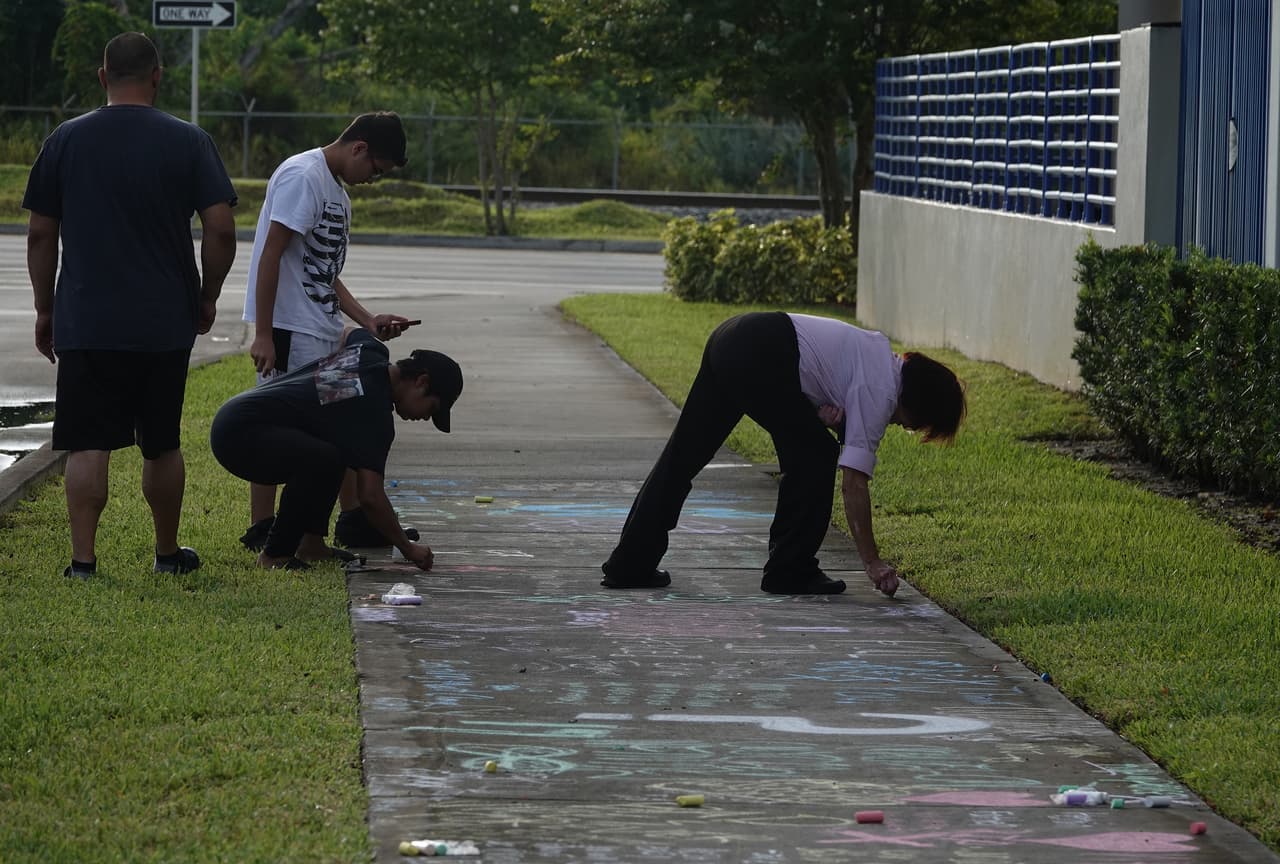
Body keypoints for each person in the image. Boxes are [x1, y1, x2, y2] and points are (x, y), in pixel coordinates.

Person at [22, 32, 237, 579]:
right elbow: (220, 228)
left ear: (102, 77)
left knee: (87, 442)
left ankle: (83, 562)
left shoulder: (66, 139)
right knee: (161, 441)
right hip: (164, 321)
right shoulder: (190, 141)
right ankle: (167, 554)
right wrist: (207, 294)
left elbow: (41, 235)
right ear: (158, 76)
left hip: (87, 318)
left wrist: (45, 309)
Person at [601, 311, 965, 596]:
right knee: (816, 455)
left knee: (683, 456)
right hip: (761, 352)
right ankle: (790, 570)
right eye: (921, 425)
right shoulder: (882, 392)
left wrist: (830, 421)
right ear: (921, 404)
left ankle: (629, 564)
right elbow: (853, 484)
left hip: (737, 336)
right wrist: (872, 562)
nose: (910, 429)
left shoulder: (877, 357)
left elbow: (814, 379)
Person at [239, 111, 417, 557]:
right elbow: (270, 256)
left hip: (321, 330)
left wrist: (366, 319)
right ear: (359, 147)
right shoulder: (304, 176)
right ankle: (264, 528)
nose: (372, 179)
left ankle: (313, 537)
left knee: (333, 434)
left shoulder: (337, 192)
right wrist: (263, 332)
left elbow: (324, 273)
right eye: (375, 169)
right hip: (288, 329)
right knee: (280, 427)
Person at [210, 327, 463, 570]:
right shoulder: (375, 413)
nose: (425, 418)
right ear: (421, 381)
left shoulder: (370, 350)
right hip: (240, 437)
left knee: (332, 455)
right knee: (321, 458)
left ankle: (312, 545)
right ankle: (275, 554)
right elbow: (371, 497)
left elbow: (347, 331)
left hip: (234, 417)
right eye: (431, 409)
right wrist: (408, 549)